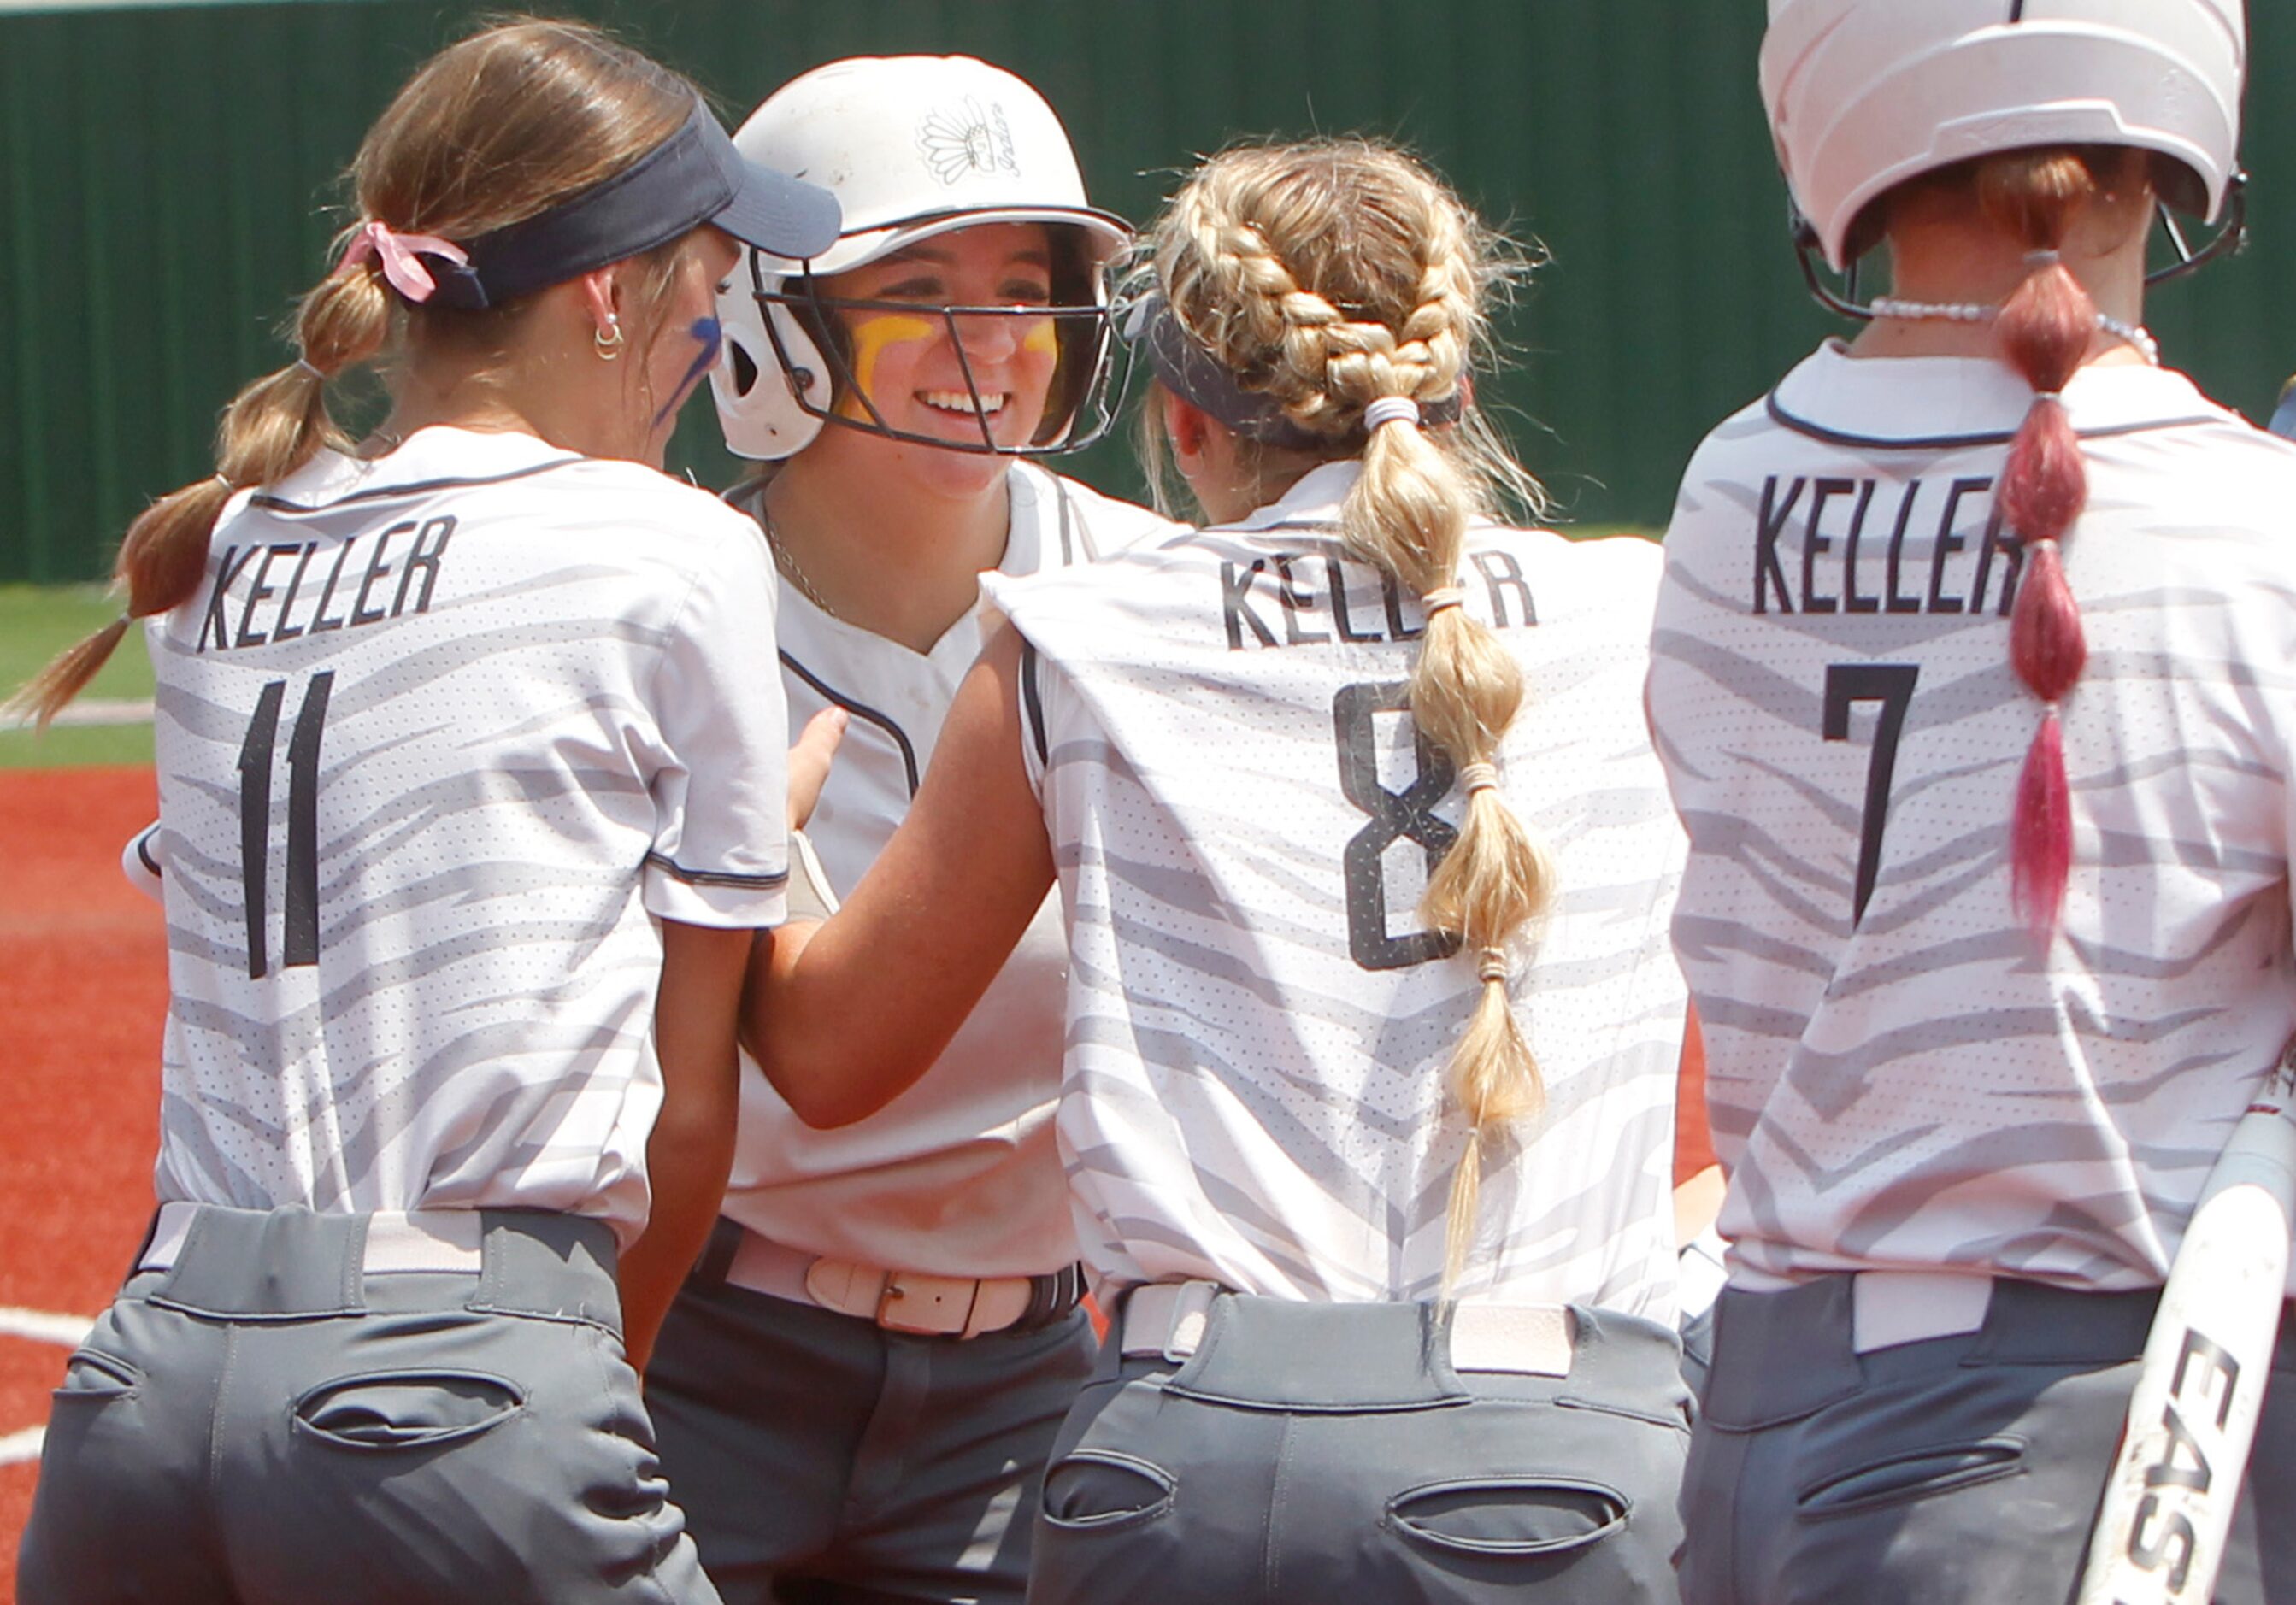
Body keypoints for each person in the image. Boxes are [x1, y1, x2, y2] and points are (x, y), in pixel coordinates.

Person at [744, 137, 1695, 1604]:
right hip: (1580, 1444)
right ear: (1455, 394)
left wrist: (754, 843)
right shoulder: (1645, 610)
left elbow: (827, 1050)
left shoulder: (1083, 634)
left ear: (1183, 425)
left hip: (1218, 1445)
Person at [9, 20, 837, 1603]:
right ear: (609, 292)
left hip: (152, 1379)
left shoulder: (220, 552)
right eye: (706, 289)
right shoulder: (667, 549)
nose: (709, 342)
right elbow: (684, 1114)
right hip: (458, 1386)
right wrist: (589, 1393)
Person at [1644, 3, 2296, 1601]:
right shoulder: (2252, 520)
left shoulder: (1723, 491)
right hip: (2093, 1438)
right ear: (2171, 152)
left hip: (1760, 1415)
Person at [642, 55, 1172, 1605]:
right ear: (772, 312)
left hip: (1025, 1386)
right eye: (918, 283)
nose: (990, 339)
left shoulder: (1151, 602)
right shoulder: (661, 598)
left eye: (1026, 284)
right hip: (698, 1349)